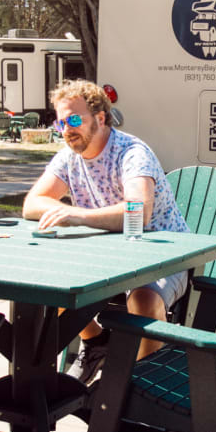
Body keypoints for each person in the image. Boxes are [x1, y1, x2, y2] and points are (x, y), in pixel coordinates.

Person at [23, 79, 189, 383]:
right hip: (106, 258)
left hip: (161, 255)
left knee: (144, 300)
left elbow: (138, 210)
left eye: (74, 119)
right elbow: (31, 204)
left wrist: (77, 216)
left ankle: (145, 387)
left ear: (100, 118)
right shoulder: (68, 156)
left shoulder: (131, 153)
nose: (66, 129)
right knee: (47, 286)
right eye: (60, 122)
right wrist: (72, 215)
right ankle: (95, 341)